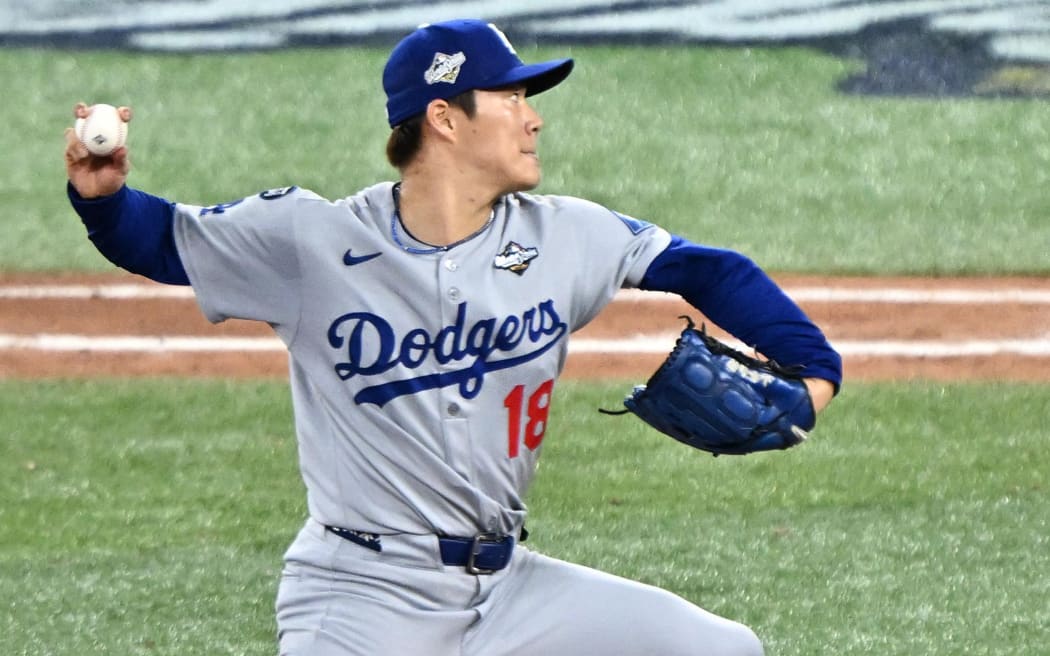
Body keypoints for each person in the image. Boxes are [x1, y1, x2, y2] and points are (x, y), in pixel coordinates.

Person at [64, 19, 841, 656]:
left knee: (719, 649)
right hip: (362, 594)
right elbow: (163, 242)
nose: (532, 114)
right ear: (445, 117)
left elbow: (708, 270)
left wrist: (814, 370)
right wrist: (103, 199)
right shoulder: (312, 241)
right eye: (509, 95)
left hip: (507, 592)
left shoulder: (566, 235)